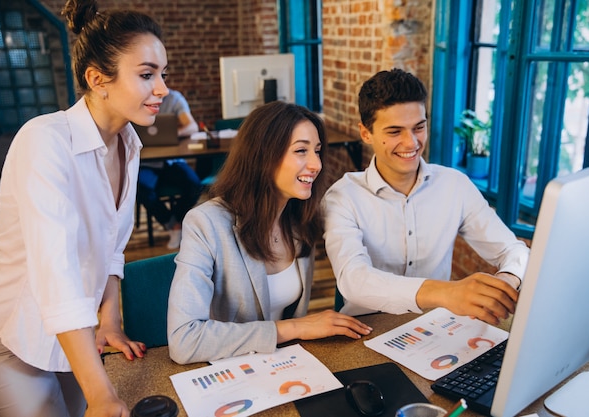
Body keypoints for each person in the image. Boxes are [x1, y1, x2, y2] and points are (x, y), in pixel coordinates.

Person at [0, 1, 167, 416]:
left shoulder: (129, 144)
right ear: (97, 79)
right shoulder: (44, 141)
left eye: (163, 74)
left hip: (77, 337)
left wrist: (109, 321)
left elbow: (109, 248)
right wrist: (101, 393)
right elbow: (57, 271)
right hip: (17, 336)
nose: (161, 88)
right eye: (146, 75)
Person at [167, 101, 372, 364]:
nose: (316, 164)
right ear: (263, 156)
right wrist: (294, 329)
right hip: (230, 369)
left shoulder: (299, 220)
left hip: (284, 364)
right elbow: (184, 340)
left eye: (317, 151)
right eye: (301, 151)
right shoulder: (205, 223)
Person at [322, 69, 530, 326]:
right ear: (366, 133)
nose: (411, 143)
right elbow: (354, 280)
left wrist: (508, 279)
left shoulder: (455, 185)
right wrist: (445, 292)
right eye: (395, 132)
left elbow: (514, 250)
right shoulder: (343, 197)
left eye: (418, 127)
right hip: (367, 329)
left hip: (439, 327)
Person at [137, 88, 202, 249]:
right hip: (146, 163)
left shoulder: (174, 99)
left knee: (195, 185)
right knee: (141, 187)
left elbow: (192, 127)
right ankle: (169, 223)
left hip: (172, 161)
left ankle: (178, 221)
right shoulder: (136, 100)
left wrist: (173, 134)